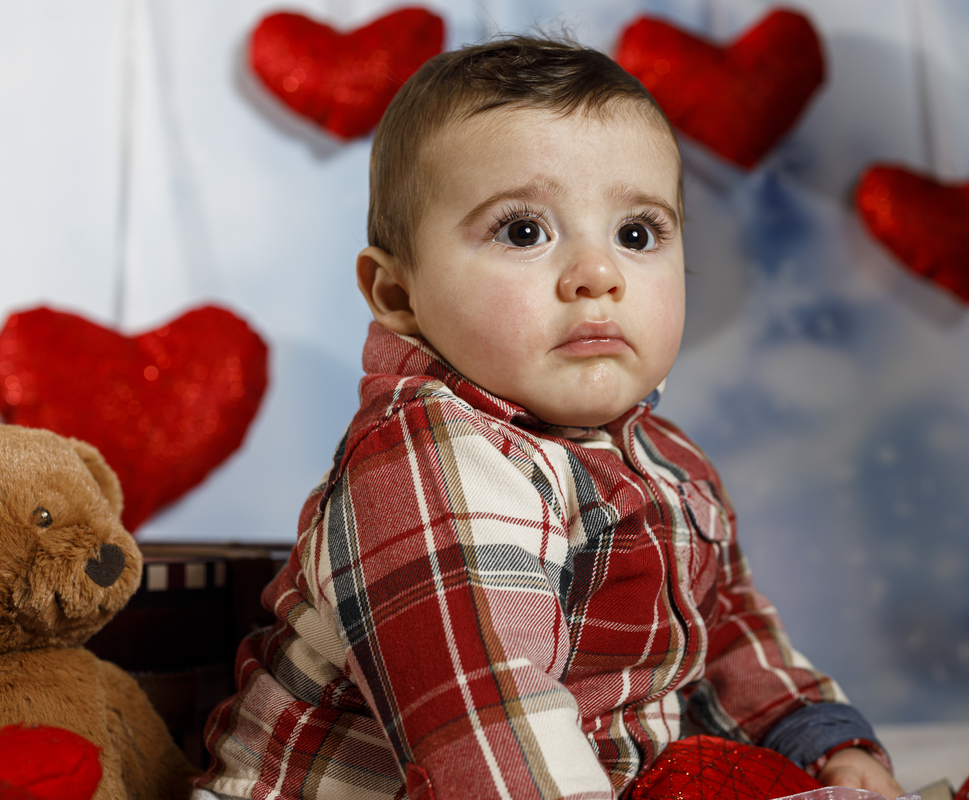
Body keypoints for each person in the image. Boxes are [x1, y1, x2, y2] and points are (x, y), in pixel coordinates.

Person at [192, 35, 905, 800]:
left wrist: (813, 736)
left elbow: (725, 629)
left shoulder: (666, 458)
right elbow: (486, 718)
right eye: (524, 231)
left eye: (637, 234)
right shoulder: (426, 456)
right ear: (399, 296)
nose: (599, 275)